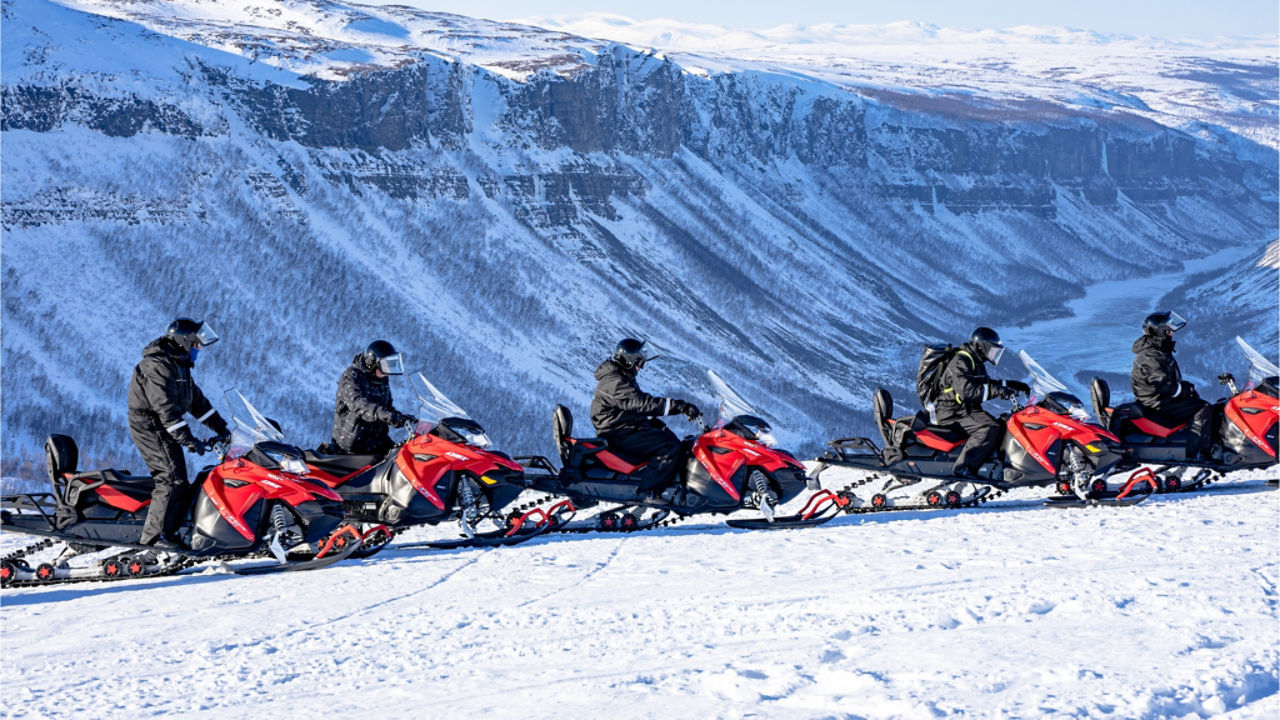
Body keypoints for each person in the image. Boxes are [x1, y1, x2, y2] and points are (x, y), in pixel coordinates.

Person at [127, 318, 229, 549]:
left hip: (163, 424)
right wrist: (189, 441)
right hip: (149, 425)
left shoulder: (178, 364)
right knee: (172, 479)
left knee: (183, 479)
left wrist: (223, 429)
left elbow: (197, 403)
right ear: (184, 341)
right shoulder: (157, 366)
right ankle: (154, 540)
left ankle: (177, 528)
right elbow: (166, 410)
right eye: (196, 345)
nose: (199, 349)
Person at [590, 338, 701, 494]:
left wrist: (654, 423)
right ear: (628, 360)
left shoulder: (621, 377)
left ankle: (676, 488)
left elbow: (630, 410)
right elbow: (641, 404)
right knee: (669, 447)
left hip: (625, 428)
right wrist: (679, 407)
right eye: (639, 363)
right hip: (617, 434)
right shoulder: (614, 382)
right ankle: (650, 492)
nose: (640, 368)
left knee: (674, 441)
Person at [934, 327, 1030, 479]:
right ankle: (963, 469)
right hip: (953, 413)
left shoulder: (974, 361)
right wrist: (998, 391)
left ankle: (995, 467)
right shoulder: (960, 361)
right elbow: (968, 391)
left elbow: (985, 383)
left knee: (1005, 423)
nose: (993, 354)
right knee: (989, 428)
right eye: (992, 350)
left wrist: (1011, 385)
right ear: (982, 346)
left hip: (966, 410)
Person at [1130, 311, 1215, 460]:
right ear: (1157, 332)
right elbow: (1162, 385)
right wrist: (1183, 389)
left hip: (1159, 398)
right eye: (1168, 331)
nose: (1171, 334)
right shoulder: (1151, 355)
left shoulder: (1158, 351)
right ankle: (1196, 453)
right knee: (1202, 409)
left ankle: (1209, 445)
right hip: (1156, 402)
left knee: (1202, 403)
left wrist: (1185, 388)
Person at [328, 340, 415, 456]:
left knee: (405, 458)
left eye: (390, 366)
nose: (388, 371)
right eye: (385, 366)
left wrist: (402, 419)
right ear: (372, 364)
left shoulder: (382, 378)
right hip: (352, 448)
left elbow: (387, 407)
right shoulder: (350, 377)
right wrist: (383, 414)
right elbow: (358, 405)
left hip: (377, 443)